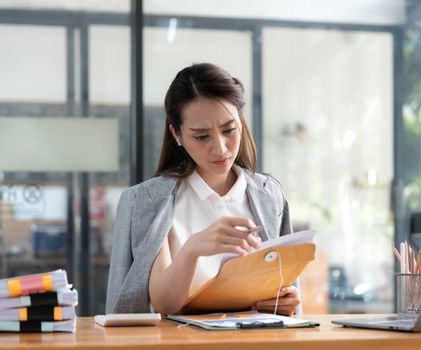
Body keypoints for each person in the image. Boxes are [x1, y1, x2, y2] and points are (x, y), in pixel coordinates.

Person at [106, 63, 300, 316]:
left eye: (229, 130)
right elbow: (165, 305)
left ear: (241, 122)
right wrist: (193, 249)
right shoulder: (149, 201)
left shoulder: (269, 195)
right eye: (201, 136)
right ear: (177, 135)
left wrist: (287, 301)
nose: (220, 149)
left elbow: (284, 294)